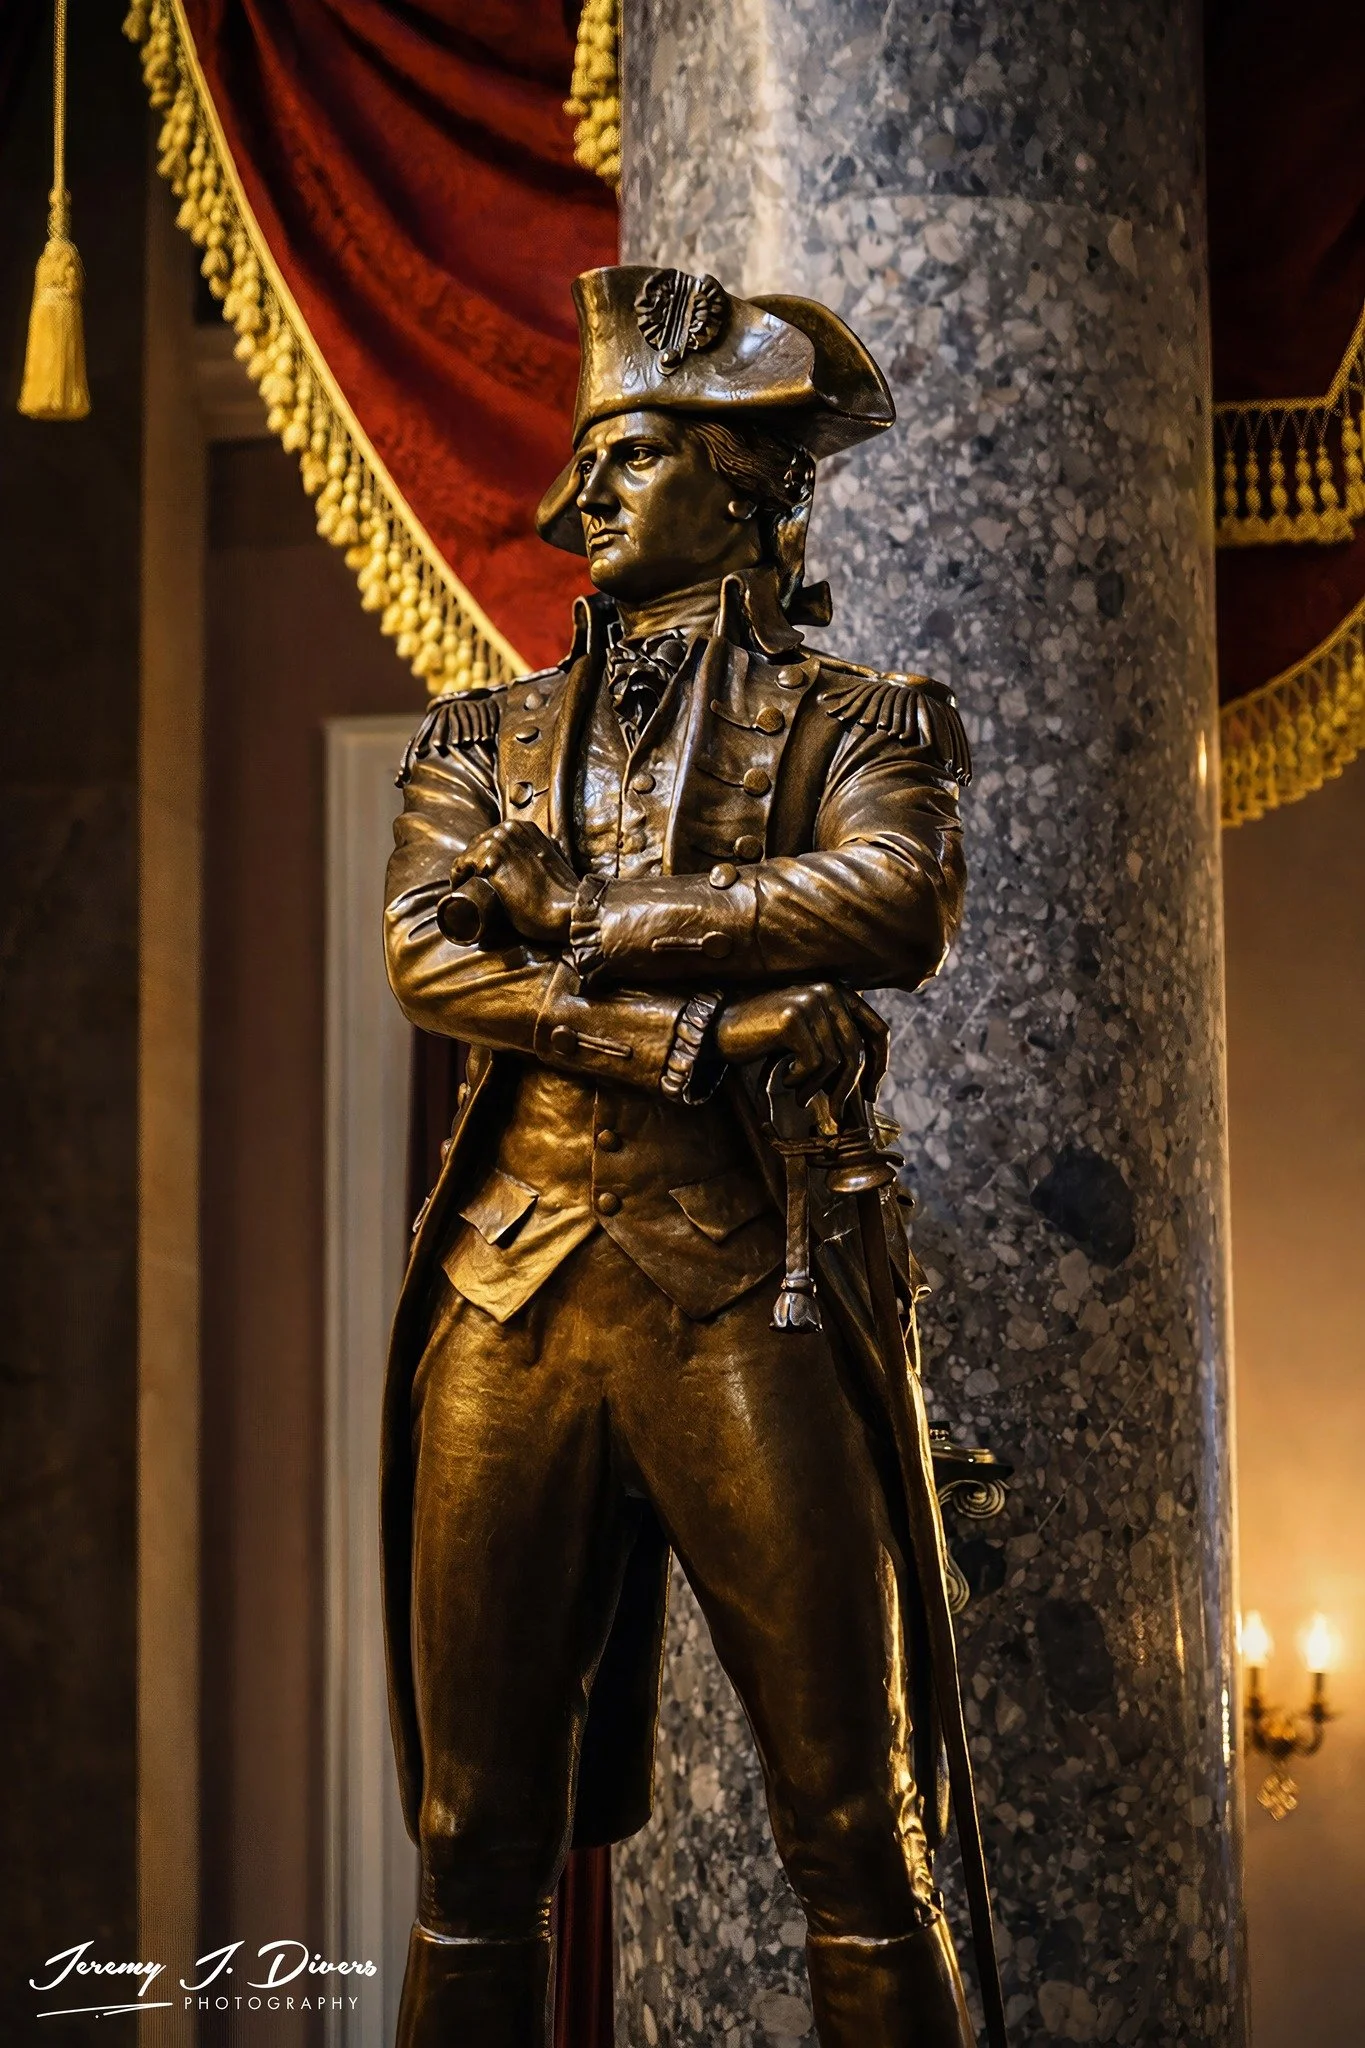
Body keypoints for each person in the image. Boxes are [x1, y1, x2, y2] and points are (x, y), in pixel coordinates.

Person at [383, 265, 980, 2047]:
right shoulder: (473, 738)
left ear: (737, 480)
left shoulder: (862, 719)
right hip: (512, 1296)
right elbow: (424, 952)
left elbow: (898, 899)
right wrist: (688, 1025)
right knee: (471, 1840)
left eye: (627, 461)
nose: (580, 504)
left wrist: (600, 913)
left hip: (750, 1288)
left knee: (856, 1828)